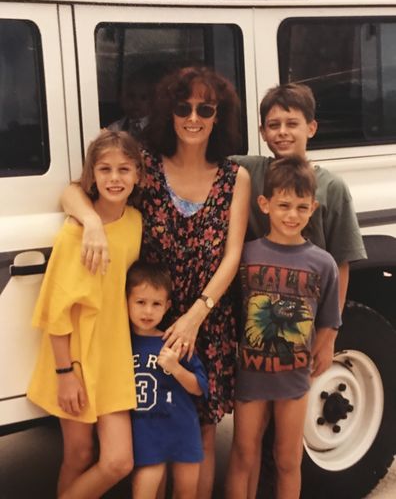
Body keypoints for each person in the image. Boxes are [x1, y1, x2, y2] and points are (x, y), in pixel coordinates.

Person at [61, 65, 251, 499]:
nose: (194, 117)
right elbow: (73, 190)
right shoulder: (144, 164)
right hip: (146, 319)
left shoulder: (234, 177)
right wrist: (90, 220)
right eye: (184, 106)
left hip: (206, 320)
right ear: (169, 111)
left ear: (218, 115)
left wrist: (194, 318)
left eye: (206, 108)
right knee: (149, 432)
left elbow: (233, 254)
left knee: (199, 433)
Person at [231, 82, 367, 498]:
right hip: (255, 353)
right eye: (274, 124)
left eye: (293, 123)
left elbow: (339, 264)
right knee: (247, 450)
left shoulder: (332, 187)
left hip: (299, 339)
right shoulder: (248, 172)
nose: (283, 132)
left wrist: (329, 337)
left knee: (287, 454)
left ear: (312, 127)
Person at [28, 130, 144, 499]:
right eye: (105, 169)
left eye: (124, 169)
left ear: (138, 175)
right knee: (78, 455)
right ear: (91, 175)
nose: (114, 178)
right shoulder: (74, 234)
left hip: (113, 358)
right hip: (74, 358)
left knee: (118, 461)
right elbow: (54, 312)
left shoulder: (136, 222)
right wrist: (65, 375)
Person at [225, 155, 342, 499]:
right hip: (250, 375)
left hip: (294, 380)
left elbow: (328, 320)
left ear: (313, 208)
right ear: (264, 204)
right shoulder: (245, 255)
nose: (292, 215)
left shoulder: (323, 263)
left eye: (301, 207)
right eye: (284, 205)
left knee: (288, 459)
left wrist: (315, 354)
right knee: (244, 453)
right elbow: (232, 312)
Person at [127, 260, 208, 499]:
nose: (148, 311)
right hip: (144, 433)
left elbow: (199, 388)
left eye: (156, 304)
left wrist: (175, 368)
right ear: (127, 301)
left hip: (182, 430)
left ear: (167, 306)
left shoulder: (175, 340)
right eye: (140, 302)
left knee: (186, 493)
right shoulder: (121, 343)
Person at [107, 66, 157, 140]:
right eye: (131, 96)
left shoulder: (157, 128)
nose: (136, 102)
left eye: (143, 98)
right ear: (122, 99)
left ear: (152, 100)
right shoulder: (115, 129)